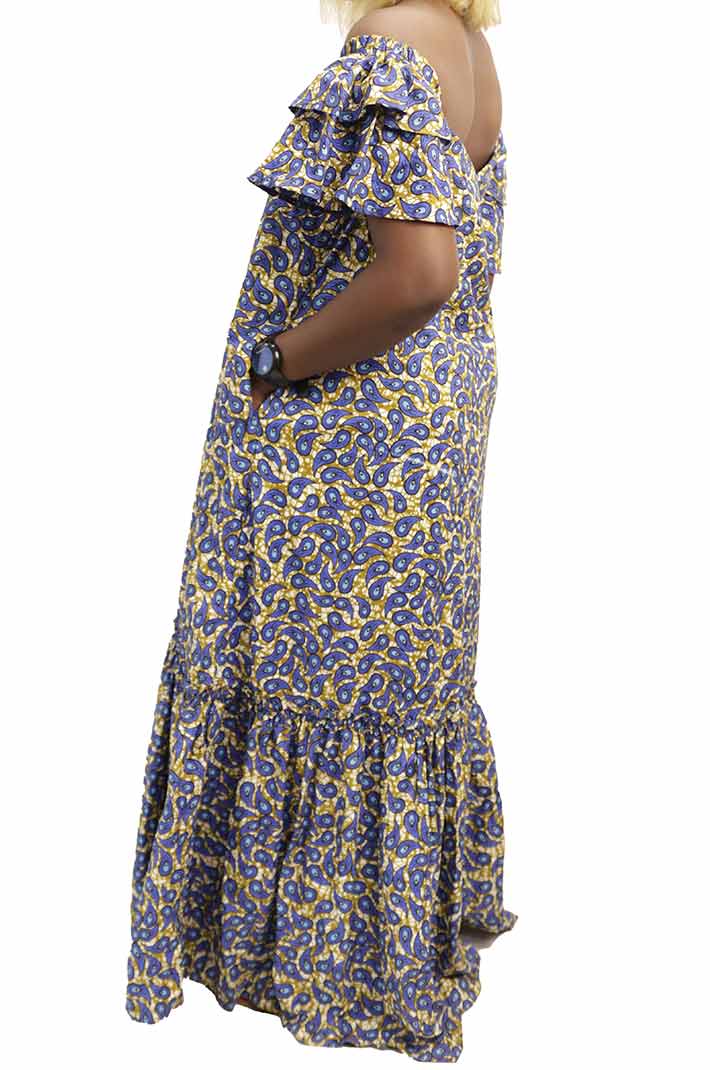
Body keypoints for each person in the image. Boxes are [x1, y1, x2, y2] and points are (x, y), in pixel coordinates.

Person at [125, 0, 517, 1060]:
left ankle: (312, 959)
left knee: (315, 674)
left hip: (350, 430)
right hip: (431, 417)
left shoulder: (394, 39)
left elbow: (420, 274)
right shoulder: (470, 48)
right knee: (396, 678)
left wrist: (277, 358)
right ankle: (388, 935)